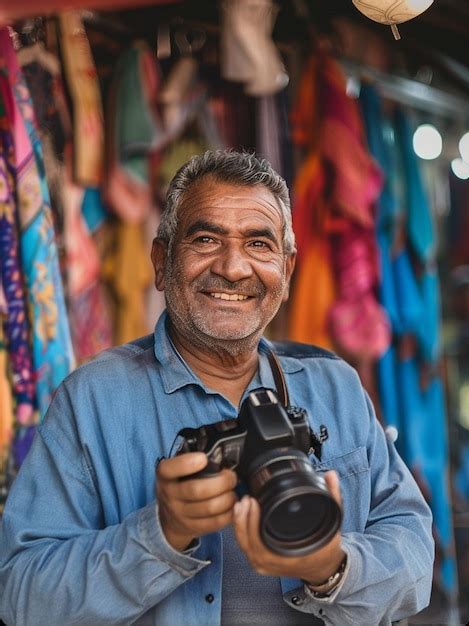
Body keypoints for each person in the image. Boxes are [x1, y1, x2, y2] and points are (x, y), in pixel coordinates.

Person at [0, 150, 434, 626]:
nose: (233, 267)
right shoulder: (92, 401)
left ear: (286, 272)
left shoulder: (337, 387)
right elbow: (20, 597)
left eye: (259, 244)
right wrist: (161, 535)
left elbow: (414, 551)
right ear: (162, 262)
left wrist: (329, 566)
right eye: (206, 239)